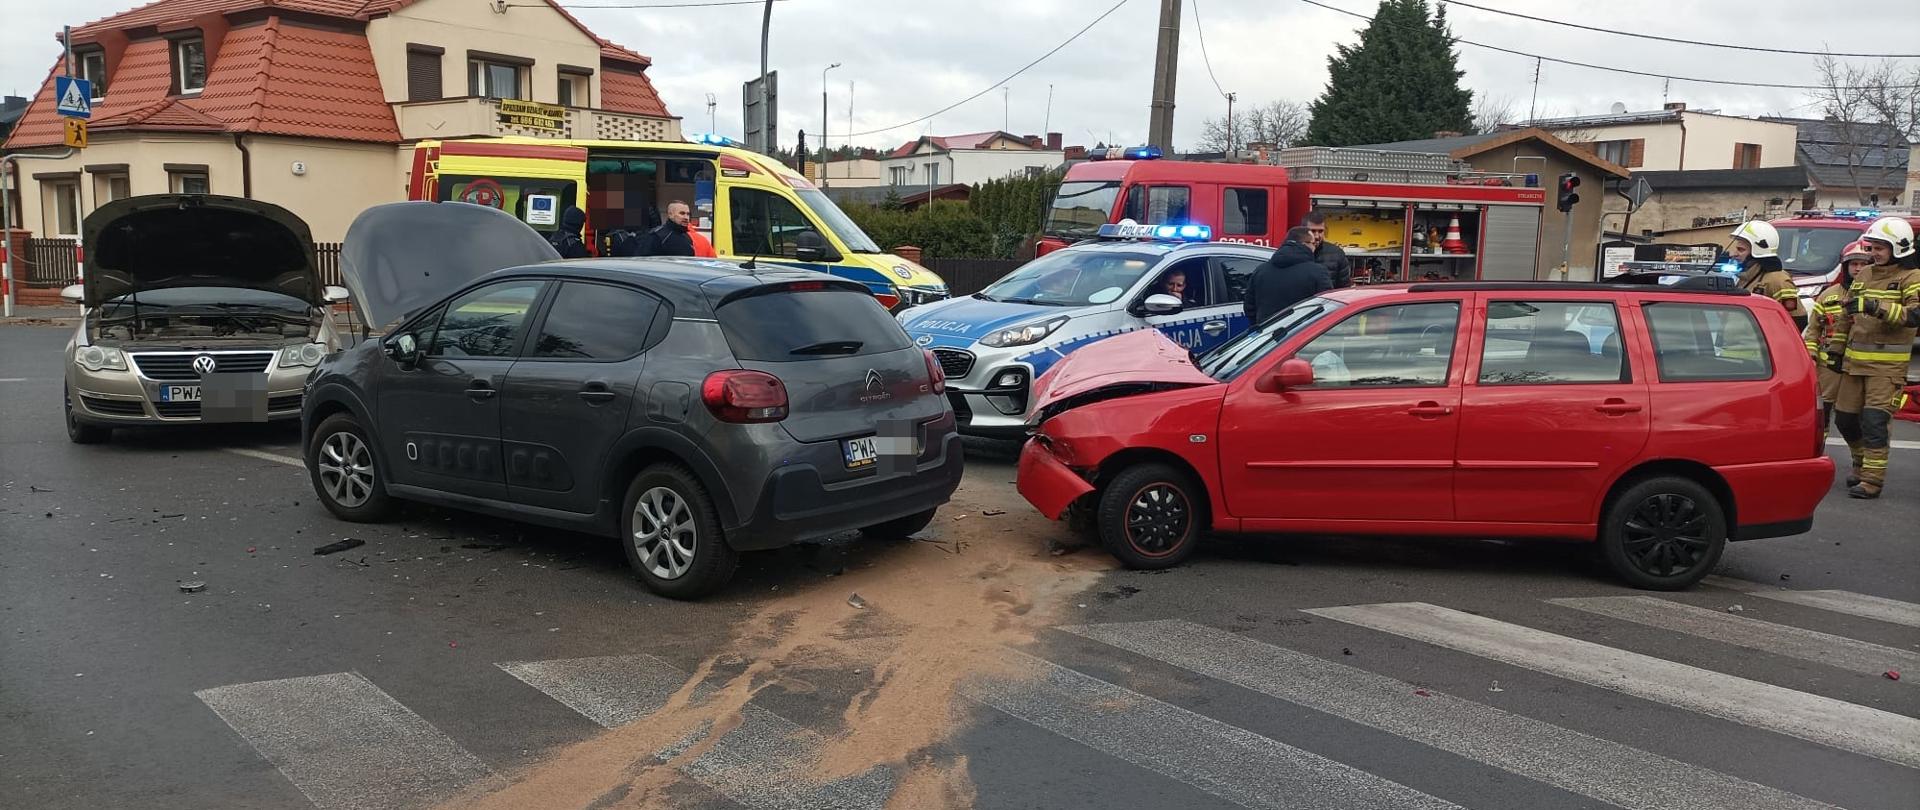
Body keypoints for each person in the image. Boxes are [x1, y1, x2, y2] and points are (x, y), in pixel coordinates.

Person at [1826, 217, 1920, 499]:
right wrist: (1835, 350)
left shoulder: (1912, 277)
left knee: (1875, 422)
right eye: (1872, 247)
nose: (1873, 253)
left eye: (1880, 248)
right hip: (1854, 364)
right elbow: (1847, 316)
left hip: (1886, 368)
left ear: (1899, 248)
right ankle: (1860, 460)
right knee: (1844, 419)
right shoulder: (1864, 275)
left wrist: (1875, 306)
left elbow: (1914, 315)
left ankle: (1872, 480)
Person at [1804, 240, 1872, 444]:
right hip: (1829, 368)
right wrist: (1812, 357)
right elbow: (1813, 329)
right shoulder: (1828, 295)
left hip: (1859, 367)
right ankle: (1818, 449)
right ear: (1845, 266)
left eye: (1863, 264)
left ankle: (1859, 460)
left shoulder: (1875, 295)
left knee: (1852, 419)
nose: (1858, 268)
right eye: (1853, 264)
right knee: (1821, 413)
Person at [1728, 220, 1806, 329]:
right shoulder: (1745, 278)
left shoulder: (1778, 280)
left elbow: (1797, 320)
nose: (1734, 254)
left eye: (1741, 250)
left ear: (1757, 252)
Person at [1247, 227, 1331, 326]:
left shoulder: (1261, 270)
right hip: (1302, 334)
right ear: (1305, 244)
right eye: (1313, 243)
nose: (1315, 247)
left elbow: (1249, 307)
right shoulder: (1318, 272)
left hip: (1267, 334)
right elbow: (1327, 306)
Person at [1301, 211, 1353, 289]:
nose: (1317, 236)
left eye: (1320, 231)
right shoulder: (1294, 253)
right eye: (1313, 231)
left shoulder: (1337, 254)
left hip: (1327, 300)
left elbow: (1344, 289)